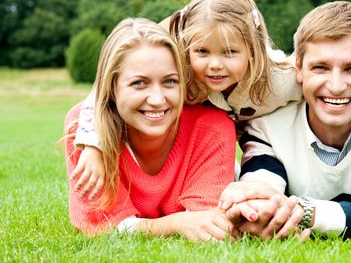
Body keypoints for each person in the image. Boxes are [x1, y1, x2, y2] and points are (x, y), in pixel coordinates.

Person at [70, 0, 351, 200]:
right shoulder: (182, 77)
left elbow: (328, 76)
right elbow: (104, 90)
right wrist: (93, 144)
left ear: (252, 49)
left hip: (258, 153)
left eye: (230, 53)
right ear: (188, 49)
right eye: (202, 52)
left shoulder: (278, 78)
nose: (215, 66)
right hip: (209, 152)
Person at [219, 1, 351, 239]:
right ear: (298, 68)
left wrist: (307, 213)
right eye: (320, 67)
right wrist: (260, 213)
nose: (336, 86)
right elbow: (260, 202)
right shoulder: (267, 123)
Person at [63, 18, 237, 241]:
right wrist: (176, 223)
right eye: (139, 83)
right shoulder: (84, 131)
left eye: (170, 81)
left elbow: (205, 219)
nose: (157, 99)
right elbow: (104, 225)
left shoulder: (211, 127)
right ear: (112, 88)